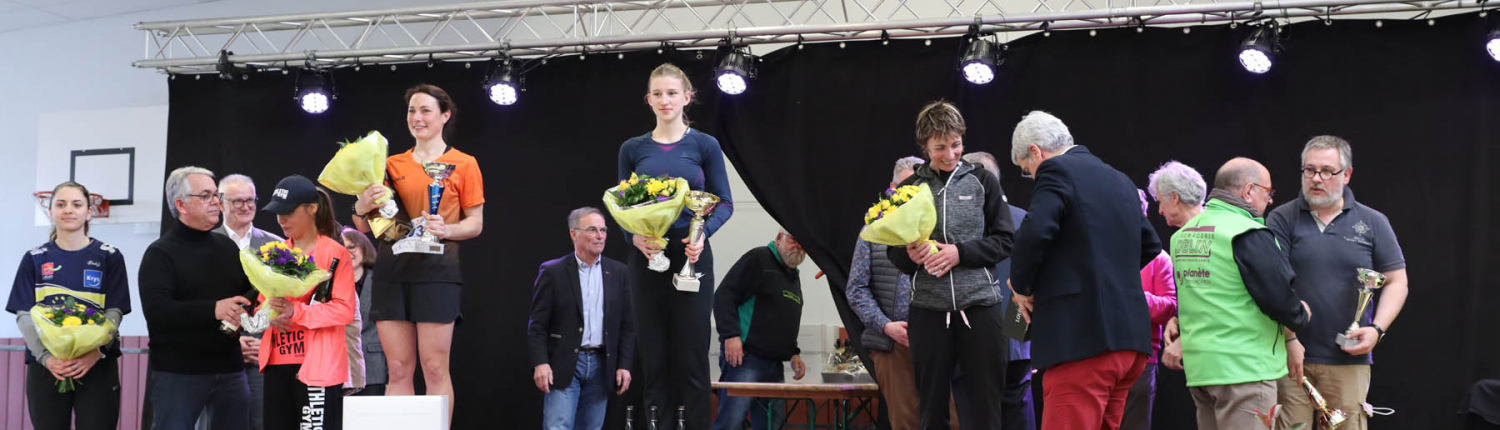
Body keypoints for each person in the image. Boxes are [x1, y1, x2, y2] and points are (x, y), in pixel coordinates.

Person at [1006, 111, 1161, 430]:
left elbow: (1033, 235)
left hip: (1082, 341)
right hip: (1129, 342)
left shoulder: (1055, 170)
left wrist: (1021, 288)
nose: (1032, 177)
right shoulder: (1119, 179)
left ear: (1035, 152)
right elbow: (1150, 245)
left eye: (1027, 170)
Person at [351, 84, 485, 418]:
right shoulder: (389, 164)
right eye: (412, 110)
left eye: (426, 110)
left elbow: (476, 223)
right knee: (397, 368)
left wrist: (446, 229)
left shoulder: (464, 163)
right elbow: (365, 225)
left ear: (445, 116)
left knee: (435, 366)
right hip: (391, 273)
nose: (417, 117)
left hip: (437, 273)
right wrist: (360, 204)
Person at [616, 63, 734, 429]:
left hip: (691, 256)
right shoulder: (632, 149)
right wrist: (634, 237)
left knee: (693, 357)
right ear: (648, 100)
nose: (664, 100)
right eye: (657, 94)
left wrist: (702, 233)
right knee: (654, 359)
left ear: (687, 97)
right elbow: (621, 206)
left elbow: (724, 203)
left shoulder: (705, 145)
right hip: (646, 258)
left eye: (671, 93)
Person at [886, 101, 1015, 430]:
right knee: (931, 408)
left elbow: (1005, 240)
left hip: (980, 307)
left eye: (956, 144)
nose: (950, 154)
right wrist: (909, 255)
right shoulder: (908, 189)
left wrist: (960, 253)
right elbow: (894, 254)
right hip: (928, 311)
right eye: (940, 147)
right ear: (924, 146)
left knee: (987, 408)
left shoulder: (983, 181)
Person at [1267, 136, 1408, 430]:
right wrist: (1290, 339)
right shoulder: (1281, 218)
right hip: (1289, 357)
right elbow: (1272, 284)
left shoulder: (1373, 222)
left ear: (1347, 175)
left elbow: (1397, 281)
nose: (1317, 179)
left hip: (1348, 360)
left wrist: (1377, 330)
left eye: (1327, 171)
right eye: (1310, 170)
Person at [1168, 158, 1311, 430]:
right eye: (1267, 192)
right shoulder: (1247, 232)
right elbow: (1277, 298)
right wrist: (1301, 314)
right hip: (1245, 369)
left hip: (1201, 369)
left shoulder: (1183, 236)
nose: (1270, 200)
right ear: (1248, 191)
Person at [848, 156, 961, 430]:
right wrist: (885, 326)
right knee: (905, 423)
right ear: (892, 189)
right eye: (905, 188)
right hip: (893, 346)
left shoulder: (946, 228)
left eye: (918, 188)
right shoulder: (872, 233)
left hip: (943, 341)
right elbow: (856, 289)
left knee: (955, 419)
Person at [6, 181, 129, 430]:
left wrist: (95, 352)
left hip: (96, 364)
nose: (68, 210)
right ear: (50, 211)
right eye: (61, 204)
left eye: (77, 204)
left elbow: (114, 312)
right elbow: (24, 315)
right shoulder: (34, 258)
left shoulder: (109, 256)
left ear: (89, 211)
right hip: (47, 367)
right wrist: (46, 357)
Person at [140, 166, 255, 430]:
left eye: (216, 195)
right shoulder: (160, 254)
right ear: (180, 205)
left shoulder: (227, 247)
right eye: (205, 196)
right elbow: (157, 311)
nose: (215, 202)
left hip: (230, 368)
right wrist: (213, 309)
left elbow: (247, 296)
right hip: (179, 372)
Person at [257, 175, 358, 430]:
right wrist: (267, 316)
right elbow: (261, 304)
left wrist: (296, 310)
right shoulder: (274, 251)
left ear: (312, 208)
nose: (281, 220)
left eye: (288, 213)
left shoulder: (335, 253)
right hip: (277, 362)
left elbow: (345, 310)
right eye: (277, 213)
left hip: (318, 366)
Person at [528, 207, 636, 430]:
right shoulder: (553, 271)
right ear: (574, 234)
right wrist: (540, 362)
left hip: (601, 365)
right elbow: (537, 325)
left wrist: (624, 365)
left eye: (603, 230)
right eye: (592, 230)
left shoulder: (619, 273)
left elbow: (627, 326)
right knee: (558, 426)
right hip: (564, 363)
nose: (600, 236)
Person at [961, 151, 1036, 430]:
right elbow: (1033, 280)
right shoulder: (1024, 219)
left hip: (973, 341)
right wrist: (1019, 336)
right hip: (1016, 336)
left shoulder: (958, 225)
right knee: (1017, 414)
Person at [712, 231, 808, 430]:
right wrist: (731, 335)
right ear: (779, 238)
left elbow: (782, 317)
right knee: (730, 424)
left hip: (775, 366)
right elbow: (724, 296)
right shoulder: (759, 259)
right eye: (793, 239)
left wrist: (793, 353)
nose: (798, 246)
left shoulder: (793, 276)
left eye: (803, 243)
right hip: (745, 360)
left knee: (772, 426)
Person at [213, 173, 283, 430]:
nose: (245, 206)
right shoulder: (204, 245)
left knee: (262, 422)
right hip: (216, 353)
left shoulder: (277, 246)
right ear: (220, 203)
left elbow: (284, 301)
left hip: (263, 352)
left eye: (250, 200)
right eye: (237, 201)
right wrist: (232, 342)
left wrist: (264, 342)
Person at [1121, 189, 1177, 430]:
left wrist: (1135, 296)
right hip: (1097, 355)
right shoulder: (1096, 254)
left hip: (1141, 358)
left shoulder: (1159, 258)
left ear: (1143, 216)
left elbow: (1169, 309)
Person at [1146, 161, 1206, 375]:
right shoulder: (1181, 237)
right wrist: (1178, 317)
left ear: (1174, 197)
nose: (1160, 210)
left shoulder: (1211, 234)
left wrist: (1186, 339)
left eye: (1161, 202)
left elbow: (1215, 297)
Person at [342, 227, 387, 396]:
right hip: (340, 368)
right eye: (342, 248)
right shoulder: (328, 283)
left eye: (351, 247)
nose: (347, 252)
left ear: (364, 247)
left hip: (374, 366)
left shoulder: (381, 281)